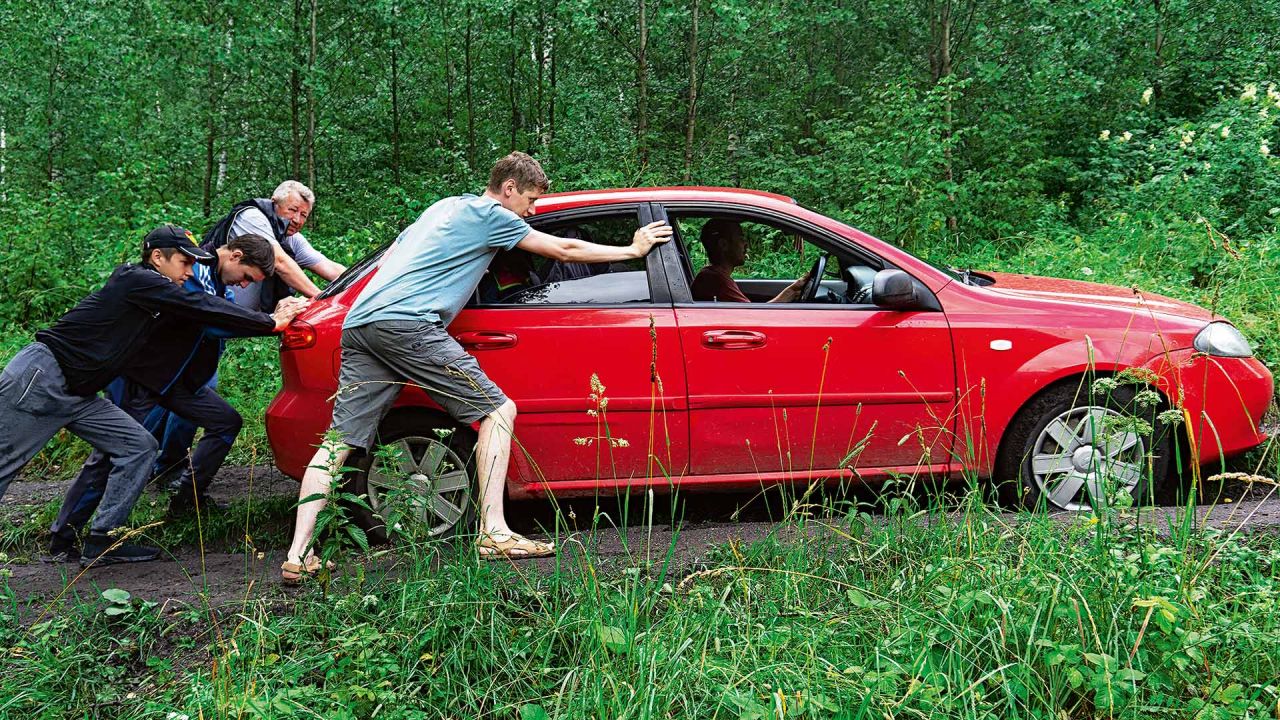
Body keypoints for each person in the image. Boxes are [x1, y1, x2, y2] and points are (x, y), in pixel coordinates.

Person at [279, 151, 673, 582]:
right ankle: (495, 531)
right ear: (509, 189)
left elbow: (390, 257)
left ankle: (299, 555)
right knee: (498, 411)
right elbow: (562, 247)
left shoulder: (444, 207)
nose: (532, 211)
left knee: (340, 442)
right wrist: (632, 249)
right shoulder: (492, 215)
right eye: (530, 200)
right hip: (408, 324)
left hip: (361, 323)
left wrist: (326, 300)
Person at [0, 226, 299, 567]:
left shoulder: (161, 287)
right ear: (158, 257)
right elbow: (199, 307)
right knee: (6, 462)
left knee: (137, 445)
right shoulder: (138, 280)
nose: (189, 273)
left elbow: (203, 307)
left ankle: (103, 540)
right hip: (41, 378)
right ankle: (64, 537)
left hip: (80, 390)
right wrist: (270, 322)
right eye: (184, 263)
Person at [150, 180, 346, 483]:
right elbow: (278, 261)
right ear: (275, 203)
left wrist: (359, 289)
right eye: (293, 210)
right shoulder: (252, 218)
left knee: (185, 394)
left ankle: (163, 466)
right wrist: (321, 303)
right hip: (197, 326)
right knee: (185, 393)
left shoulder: (288, 237)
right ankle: (160, 467)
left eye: (304, 215)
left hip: (221, 326)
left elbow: (327, 265)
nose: (297, 219)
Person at [691, 219, 809, 303]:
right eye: (741, 239)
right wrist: (790, 292)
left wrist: (791, 291)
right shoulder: (716, 280)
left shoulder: (713, 275)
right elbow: (753, 316)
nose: (746, 244)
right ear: (724, 245)